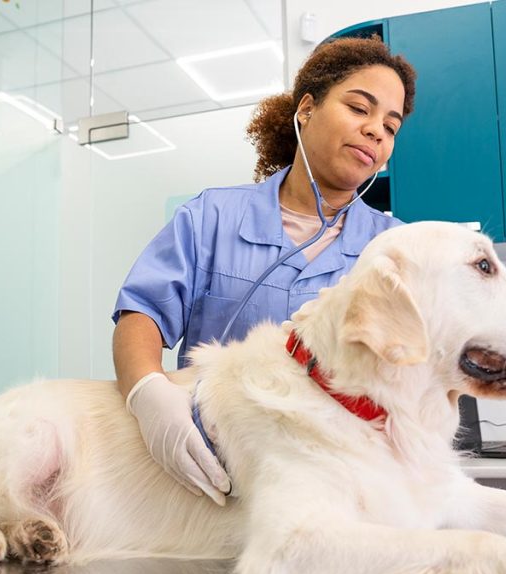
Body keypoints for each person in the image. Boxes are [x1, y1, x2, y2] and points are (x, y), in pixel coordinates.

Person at [112, 36, 417, 506]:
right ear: (307, 110)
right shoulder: (212, 217)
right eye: (360, 108)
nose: (377, 132)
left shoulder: (394, 248)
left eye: (391, 126)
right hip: (208, 472)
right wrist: (149, 398)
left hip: (338, 486)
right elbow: (142, 314)